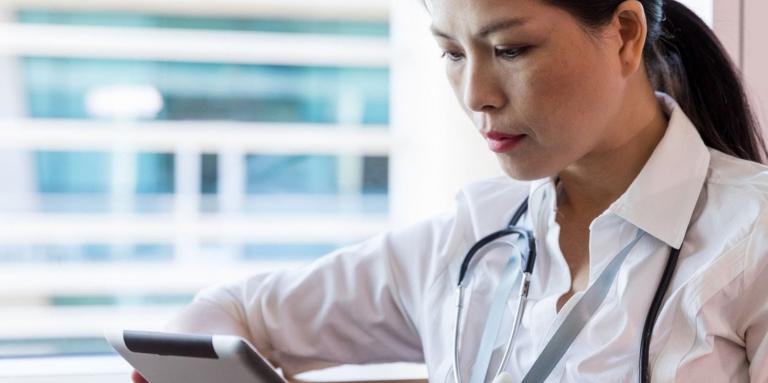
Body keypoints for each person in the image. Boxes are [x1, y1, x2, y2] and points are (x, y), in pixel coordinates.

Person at [133, 0, 768, 382]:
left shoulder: (752, 237)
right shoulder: (473, 238)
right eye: (452, 53)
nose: (475, 96)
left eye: (510, 49)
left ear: (626, 34)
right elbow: (229, 315)